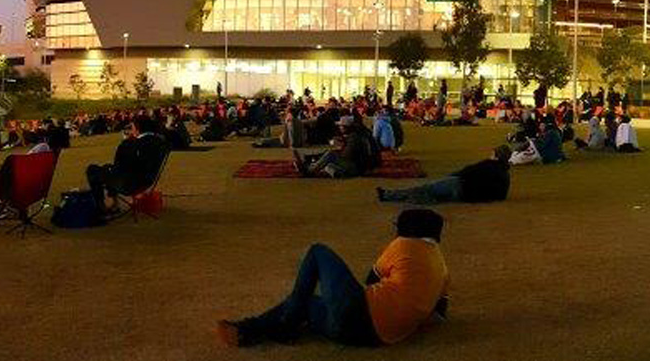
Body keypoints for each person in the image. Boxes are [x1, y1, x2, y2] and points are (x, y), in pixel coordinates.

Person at [217, 209, 450, 348]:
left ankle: (281, 327)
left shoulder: (404, 245)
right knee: (305, 303)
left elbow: (371, 280)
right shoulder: (442, 267)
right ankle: (248, 330)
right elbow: (438, 316)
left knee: (317, 251)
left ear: (407, 230)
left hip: (360, 313)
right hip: (370, 338)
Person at [0, 131, 56, 234]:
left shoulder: (17, 161)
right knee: (5, 187)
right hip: (37, 190)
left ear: (25, 142)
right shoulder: (45, 153)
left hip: (19, 192)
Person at [86, 117, 170, 209]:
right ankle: (114, 203)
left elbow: (119, 165)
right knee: (108, 168)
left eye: (132, 128)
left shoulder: (130, 144)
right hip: (147, 182)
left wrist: (126, 142)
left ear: (138, 129)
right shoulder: (160, 142)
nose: (131, 130)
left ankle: (101, 206)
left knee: (93, 170)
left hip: (129, 184)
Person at [376, 150, 511, 205]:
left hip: (460, 185)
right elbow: (501, 196)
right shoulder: (505, 175)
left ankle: (389, 195)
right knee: (433, 193)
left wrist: (451, 176)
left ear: (496, 156)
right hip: (466, 196)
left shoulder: (489, 164)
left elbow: (467, 171)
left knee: (425, 188)